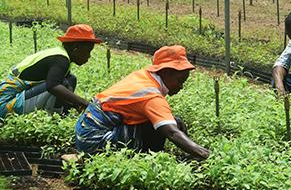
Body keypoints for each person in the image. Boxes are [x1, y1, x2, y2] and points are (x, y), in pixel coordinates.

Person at [75, 45, 210, 160]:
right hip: (94, 141)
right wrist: (206, 155)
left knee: (173, 122)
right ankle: (150, 160)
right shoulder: (151, 95)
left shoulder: (143, 76)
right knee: (160, 128)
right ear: (167, 72)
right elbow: (172, 133)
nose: (180, 87)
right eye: (180, 81)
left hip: (86, 133)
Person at [0, 24, 102, 119]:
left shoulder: (60, 54)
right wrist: (84, 103)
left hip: (16, 98)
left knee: (70, 78)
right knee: (60, 84)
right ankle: (56, 116)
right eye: (87, 51)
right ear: (76, 49)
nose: (89, 56)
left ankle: (64, 113)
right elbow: (53, 86)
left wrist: (75, 104)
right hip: (6, 105)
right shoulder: (60, 59)